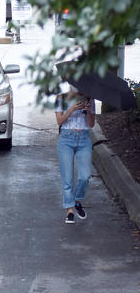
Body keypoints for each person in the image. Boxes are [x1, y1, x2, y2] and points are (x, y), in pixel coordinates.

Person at [56, 87, 96, 224]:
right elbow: (59, 121)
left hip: (84, 139)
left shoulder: (90, 99)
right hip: (66, 139)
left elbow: (91, 124)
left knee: (85, 176)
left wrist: (88, 111)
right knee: (67, 178)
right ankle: (69, 210)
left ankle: (77, 201)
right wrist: (71, 109)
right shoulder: (61, 98)